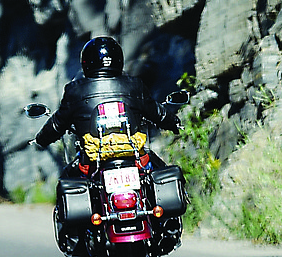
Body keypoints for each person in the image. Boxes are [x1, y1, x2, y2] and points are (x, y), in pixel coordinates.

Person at [32, 36, 180, 176]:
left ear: (86, 63)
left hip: (92, 162)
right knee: (160, 169)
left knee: (66, 180)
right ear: (118, 60)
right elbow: (158, 113)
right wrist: (175, 123)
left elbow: (57, 123)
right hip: (133, 156)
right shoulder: (134, 85)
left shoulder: (74, 90)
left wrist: (41, 139)